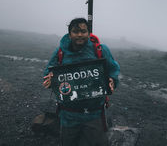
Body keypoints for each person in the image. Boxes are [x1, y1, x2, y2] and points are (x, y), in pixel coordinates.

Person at [43, 18, 120, 146]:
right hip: (68, 114)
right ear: (69, 34)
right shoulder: (61, 52)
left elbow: (113, 70)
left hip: (94, 113)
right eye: (76, 31)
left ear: (89, 33)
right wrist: (50, 80)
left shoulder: (100, 49)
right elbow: (49, 73)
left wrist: (112, 81)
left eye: (83, 31)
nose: (80, 35)